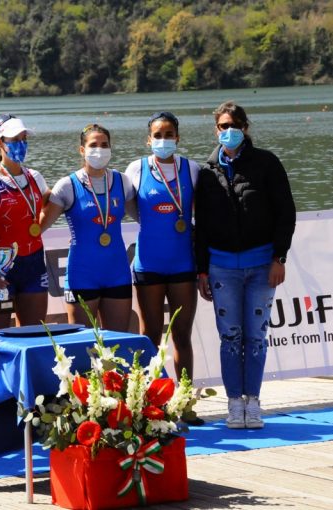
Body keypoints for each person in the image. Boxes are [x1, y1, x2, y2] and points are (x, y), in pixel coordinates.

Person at [195, 101, 296, 429]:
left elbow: (286, 213)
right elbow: (202, 226)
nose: (229, 131)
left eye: (235, 125)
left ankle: (253, 402)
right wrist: (202, 270)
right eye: (223, 126)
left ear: (246, 128)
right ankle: (233, 403)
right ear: (216, 130)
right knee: (231, 337)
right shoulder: (206, 172)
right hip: (222, 268)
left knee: (255, 336)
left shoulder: (266, 163)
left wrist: (279, 257)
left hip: (261, 268)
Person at [125, 112, 203, 425]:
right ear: (148, 139)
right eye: (157, 135)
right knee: (150, 336)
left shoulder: (192, 169)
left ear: (178, 137)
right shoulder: (136, 169)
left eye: (169, 134)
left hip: (183, 262)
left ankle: (183, 402)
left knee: (182, 334)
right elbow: (132, 208)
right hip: (149, 265)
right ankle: (148, 404)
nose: (163, 140)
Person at [40, 123, 135, 331]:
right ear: (82, 150)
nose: (99, 149)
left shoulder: (123, 182)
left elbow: (148, 219)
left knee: (115, 347)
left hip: (117, 273)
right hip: (82, 275)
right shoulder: (67, 185)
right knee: (84, 350)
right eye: (93, 145)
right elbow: (38, 227)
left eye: (104, 144)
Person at [0, 114, 50, 332]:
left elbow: (52, 205)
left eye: (24, 138)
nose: (21, 144)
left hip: (33, 268)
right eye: (14, 140)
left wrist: (38, 229)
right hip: (0, 271)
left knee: (33, 339)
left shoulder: (36, 177)